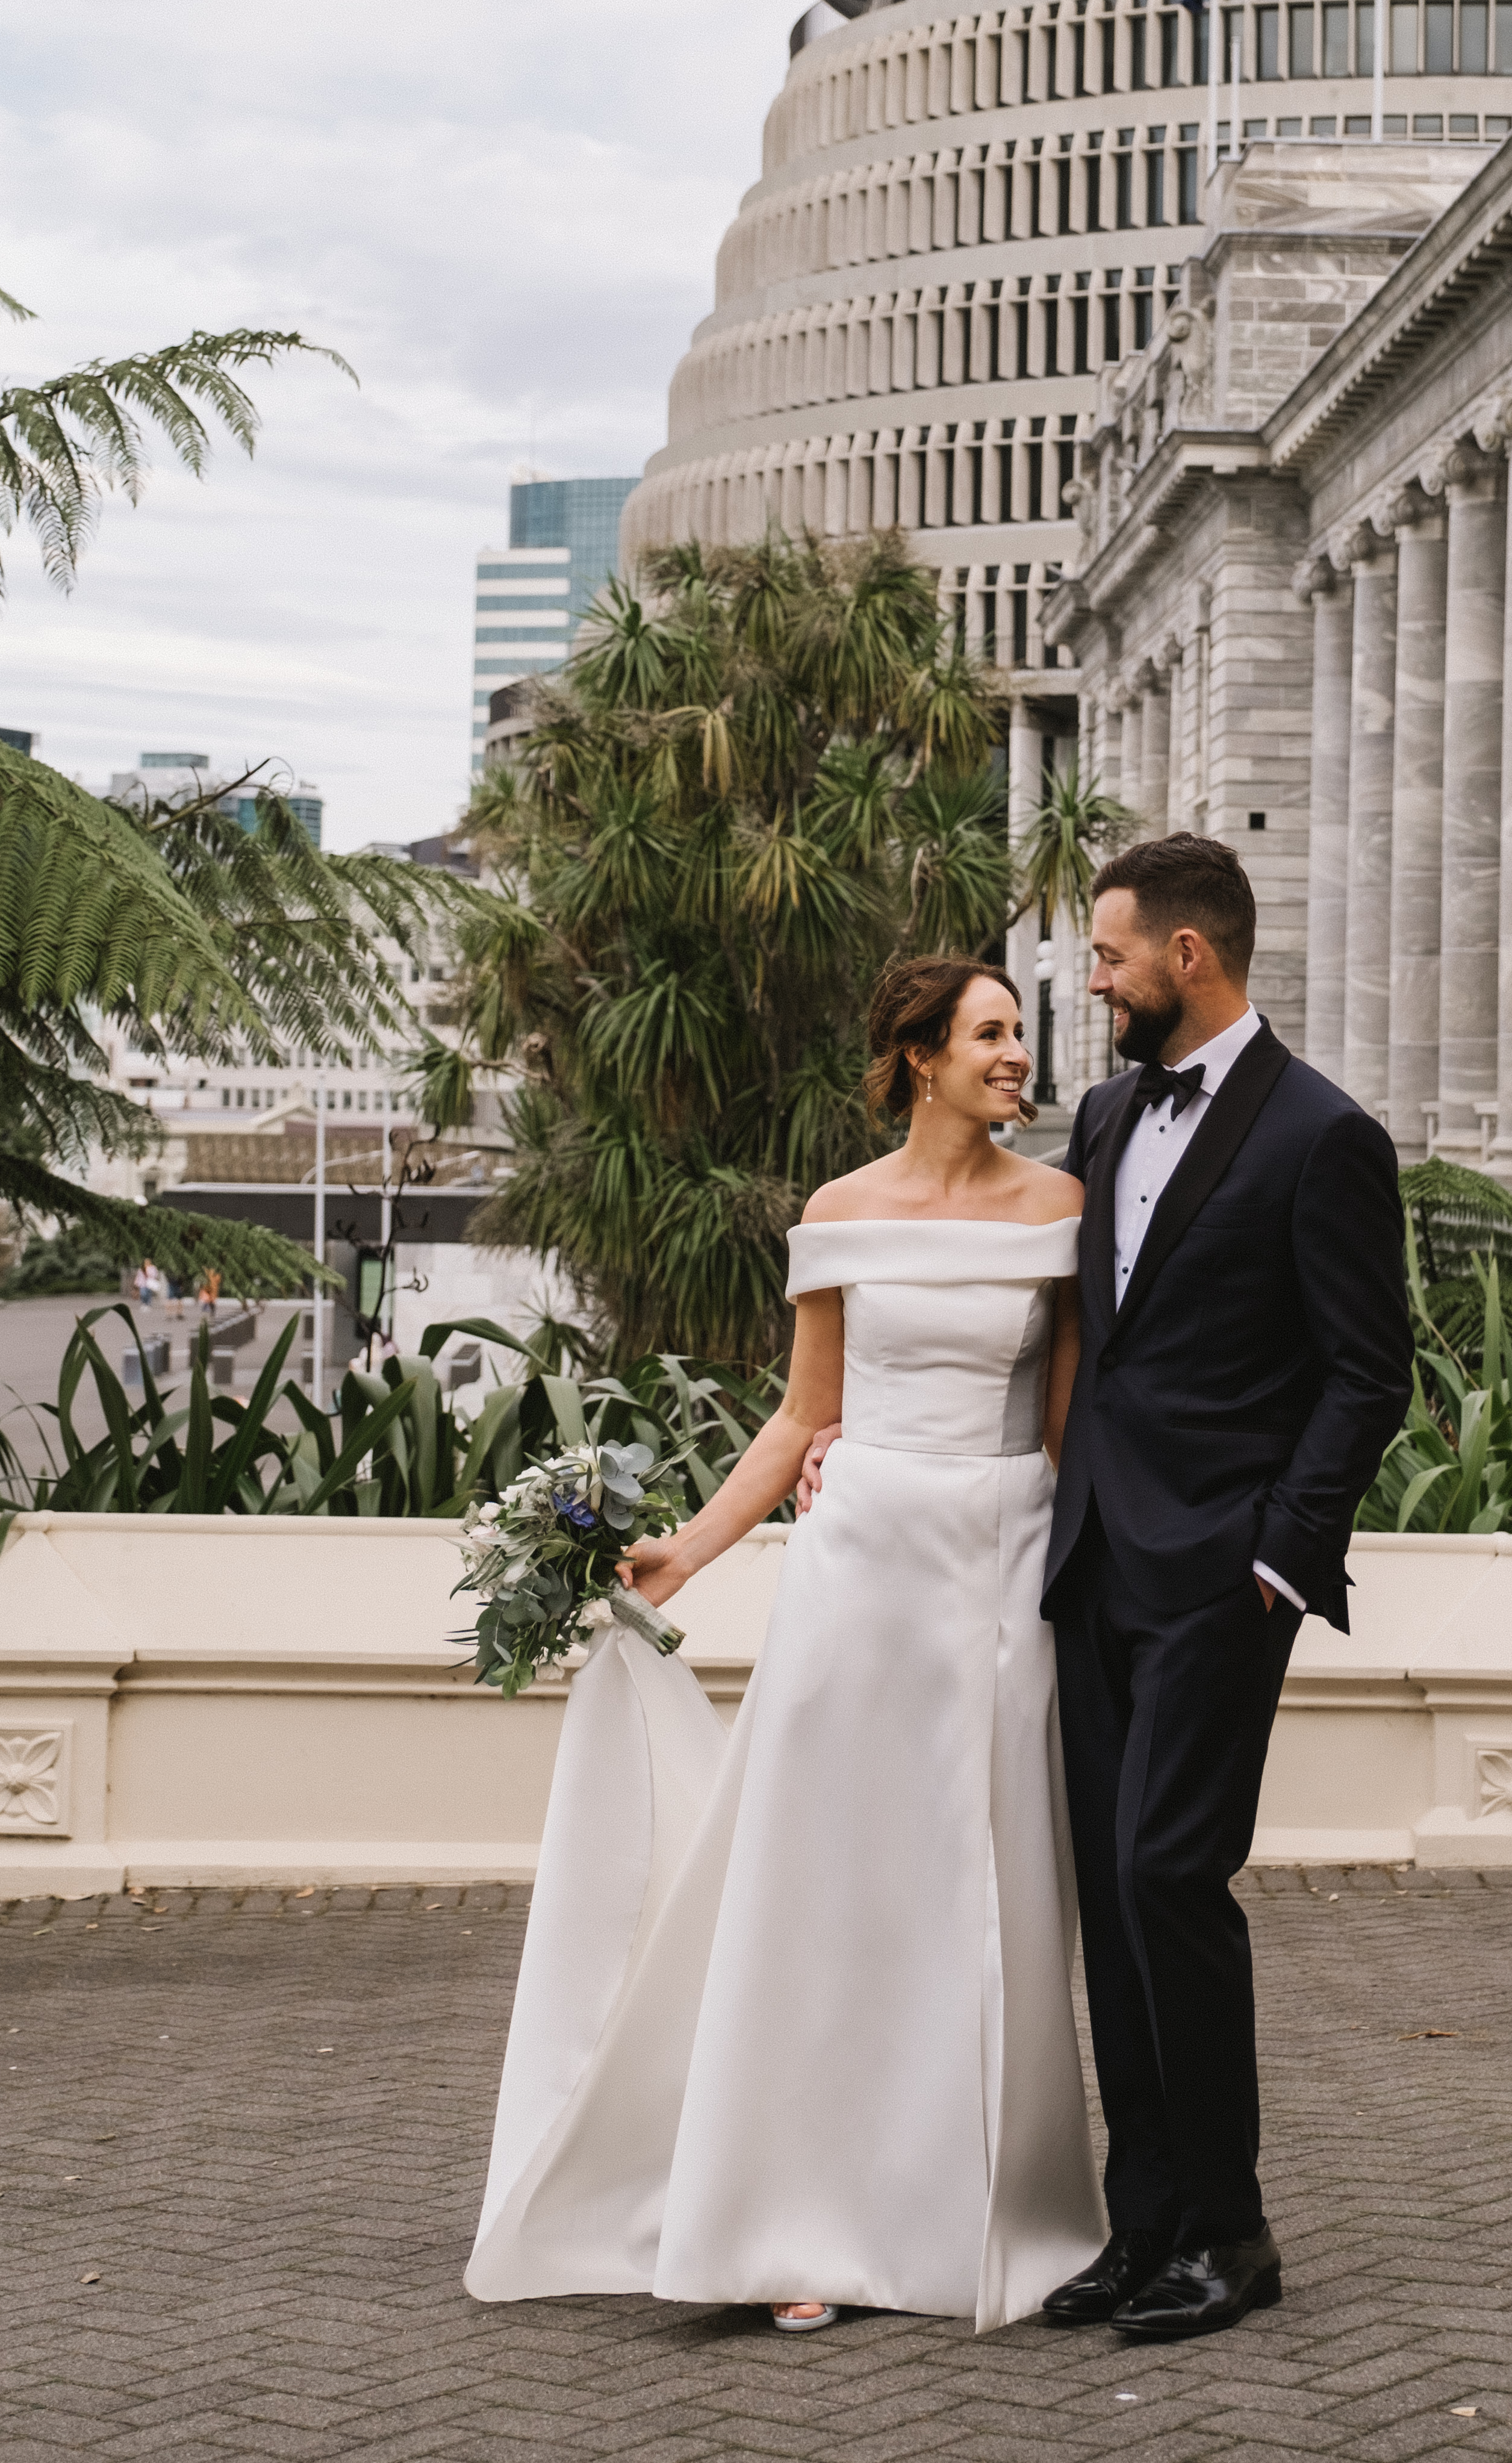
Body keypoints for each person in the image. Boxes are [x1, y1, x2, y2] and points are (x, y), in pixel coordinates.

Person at [464, 954, 1104, 2334]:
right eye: (990, 1033)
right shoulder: (839, 1213)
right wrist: (685, 1548)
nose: (1016, 1054)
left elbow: (1068, 1428)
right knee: (826, 1894)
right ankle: (797, 2218)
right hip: (857, 1567)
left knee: (981, 1895)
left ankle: (982, 2212)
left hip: (1001, 1566)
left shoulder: (1063, 1210)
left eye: (1019, 1034)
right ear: (919, 1057)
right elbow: (798, 1414)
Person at [1038, 833, 1408, 2346]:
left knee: (1168, 1879)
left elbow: (1368, 1369)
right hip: (1091, 1564)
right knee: (1109, 1905)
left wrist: (1279, 1553)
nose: (1097, 978)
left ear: (1189, 956)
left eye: (1113, 953)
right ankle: (1145, 2226)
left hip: (1219, 1580)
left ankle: (1233, 2230)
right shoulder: (1105, 1108)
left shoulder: (1325, 1135)